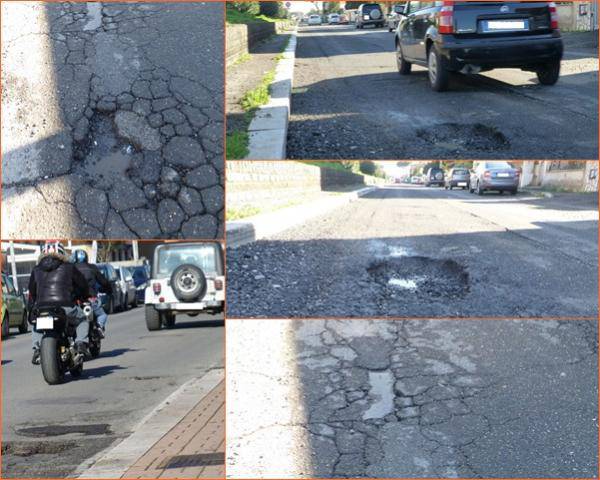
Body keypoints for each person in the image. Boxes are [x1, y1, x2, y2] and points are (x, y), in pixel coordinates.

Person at [29, 241, 90, 365]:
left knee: (36, 323)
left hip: (42, 307)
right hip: (64, 306)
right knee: (83, 319)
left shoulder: (36, 269)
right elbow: (83, 285)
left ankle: (36, 349)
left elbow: (32, 291)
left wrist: (35, 305)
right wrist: (83, 296)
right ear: (62, 253)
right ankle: (80, 343)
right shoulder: (69, 267)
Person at [71, 249, 111, 337]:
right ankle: (99, 326)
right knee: (102, 315)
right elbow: (104, 282)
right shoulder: (92, 267)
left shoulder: (70, 269)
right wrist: (108, 290)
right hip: (91, 299)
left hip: (75, 301)